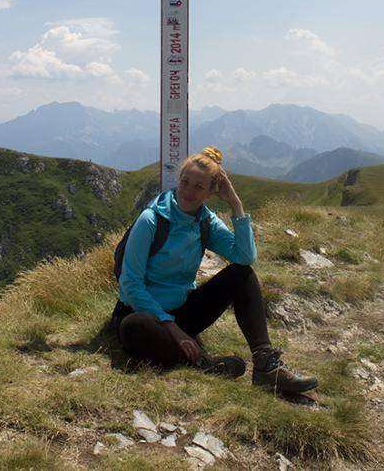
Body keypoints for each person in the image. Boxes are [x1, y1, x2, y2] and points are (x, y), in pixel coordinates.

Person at [113, 146, 318, 394]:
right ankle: (203, 364)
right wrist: (172, 328)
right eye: (185, 182)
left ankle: (266, 365)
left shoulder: (205, 221)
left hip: (182, 310)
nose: (188, 191)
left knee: (241, 275)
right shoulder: (151, 220)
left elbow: (244, 257)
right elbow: (130, 285)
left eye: (199, 187)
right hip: (144, 313)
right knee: (134, 327)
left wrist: (235, 204)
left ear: (211, 192)